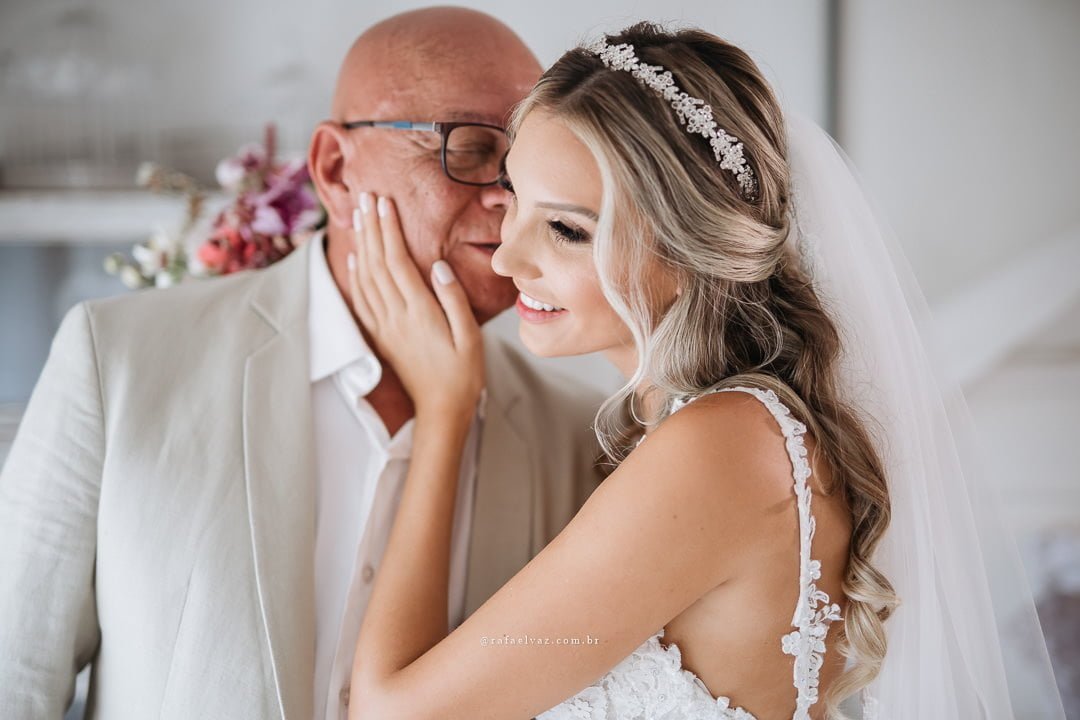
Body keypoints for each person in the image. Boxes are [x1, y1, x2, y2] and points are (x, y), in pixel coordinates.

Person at [338, 21, 1065, 720]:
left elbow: (389, 712)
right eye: (515, 203)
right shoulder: (736, 434)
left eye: (565, 230)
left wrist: (444, 414)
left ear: (688, 252)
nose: (506, 257)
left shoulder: (718, 450)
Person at [0, 8, 609, 719]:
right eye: (470, 147)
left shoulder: (581, 441)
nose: (510, 195)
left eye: (525, 160)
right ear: (333, 169)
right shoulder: (121, 363)